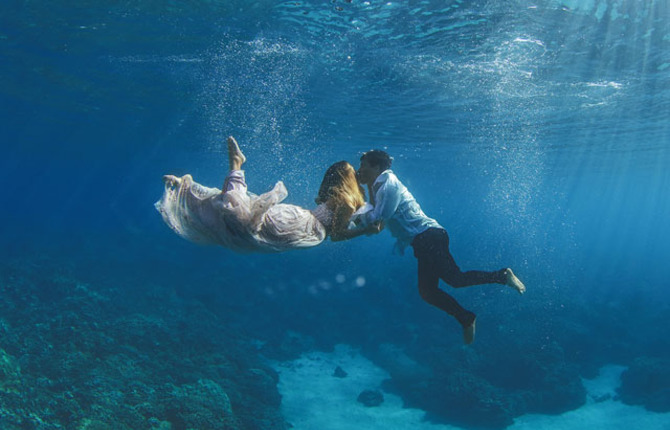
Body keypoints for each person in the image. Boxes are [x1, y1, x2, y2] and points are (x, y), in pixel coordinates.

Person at [353, 149, 526, 344]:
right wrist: (401, 239)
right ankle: (466, 317)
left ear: (376, 166)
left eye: (363, 165)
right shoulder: (380, 184)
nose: (359, 170)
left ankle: (501, 277)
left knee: (454, 279)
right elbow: (380, 212)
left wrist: (352, 216)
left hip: (429, 237)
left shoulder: (388, 186)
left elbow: (378, 218)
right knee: (429, 291)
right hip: (425, 239)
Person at [156, 136, 375, 253]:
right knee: (238, 219)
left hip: (301, 223)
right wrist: (366, 230)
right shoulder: (347, 201)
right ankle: (228, 169)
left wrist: (366, 228)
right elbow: (337, 235)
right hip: (300, 223)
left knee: (233, 221)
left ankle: (189, 188)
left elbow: (338, 233)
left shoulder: (345, 201)